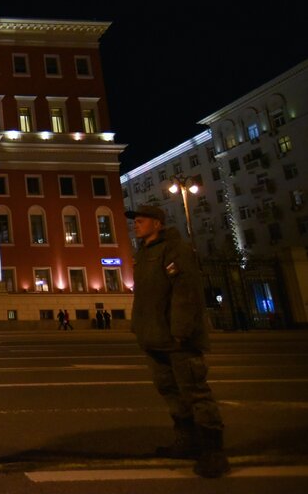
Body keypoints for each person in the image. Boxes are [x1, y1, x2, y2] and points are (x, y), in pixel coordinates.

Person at [126, 204, 230, 478]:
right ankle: (186, 440)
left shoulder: (176, 250)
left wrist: (181, 330)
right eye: (135, 220)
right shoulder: (145, 253)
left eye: (141, 220)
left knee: (195, 391)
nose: (136, 224)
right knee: (170, 391)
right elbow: (145, 296)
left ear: (157, 223)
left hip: (177, 338)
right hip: (153, 337)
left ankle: (214, 452)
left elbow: (185, 291)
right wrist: (139, 328)